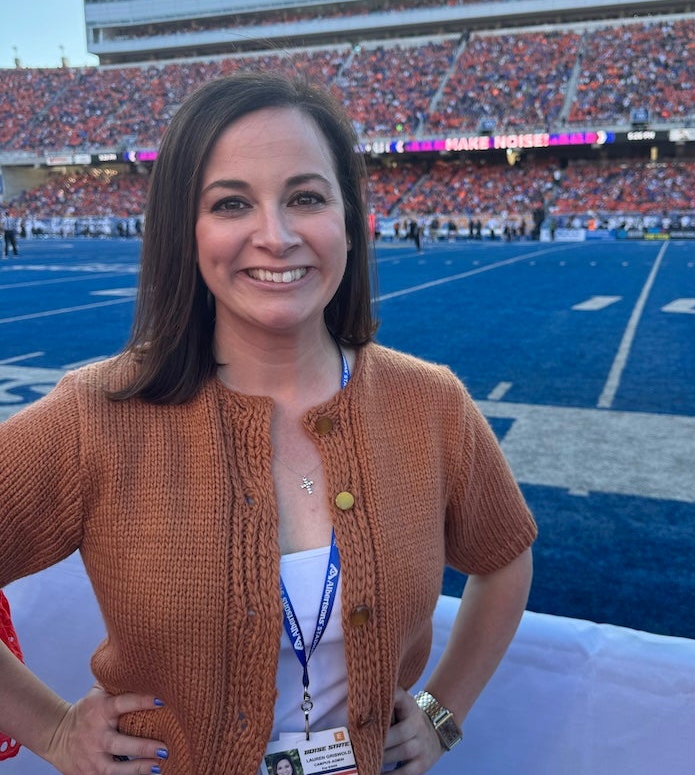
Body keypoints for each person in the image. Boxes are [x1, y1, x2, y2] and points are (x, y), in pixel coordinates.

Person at [0, 71, 536, 775]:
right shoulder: (96, 416)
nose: (275, 235)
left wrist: (442, 712)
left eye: (306, 197)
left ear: (348, 219)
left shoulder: (429, 403)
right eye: (231, 203)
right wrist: (55, 728)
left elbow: (505, 557)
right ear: (184, 232)